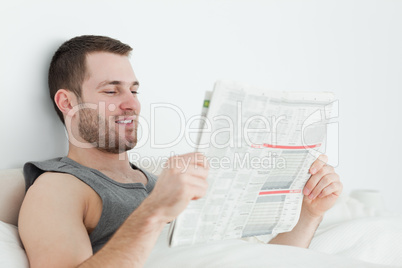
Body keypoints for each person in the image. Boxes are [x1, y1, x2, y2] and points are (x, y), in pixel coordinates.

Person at [18, 35, 342, 268]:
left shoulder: (158, 181)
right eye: (111, 90)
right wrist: (155, 210)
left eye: (134, 90)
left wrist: (310, 213)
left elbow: (256, 259)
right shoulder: (57, 187)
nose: (132, 103)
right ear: (67, 102)